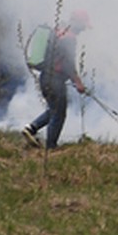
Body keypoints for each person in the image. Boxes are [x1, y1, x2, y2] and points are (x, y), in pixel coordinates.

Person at [22, 10, 90, 149]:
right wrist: (78, 83)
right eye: (83, 26)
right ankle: (51, 147)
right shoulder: (69, 38)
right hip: (55, 81)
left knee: (54, 109)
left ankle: (31, 128)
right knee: (59, 114)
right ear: (76, 23)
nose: (83, 30)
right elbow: (68, 64)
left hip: (45, 78)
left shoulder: (57, 32)